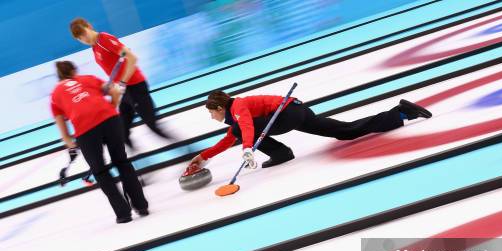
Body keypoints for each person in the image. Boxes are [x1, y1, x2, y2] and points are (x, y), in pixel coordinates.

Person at [188, 90, 432, 170]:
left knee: (242, 132)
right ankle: (401, 113)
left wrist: (248, 149)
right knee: (344, 130)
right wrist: (203, 157)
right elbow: (230, 138)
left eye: (212, 112)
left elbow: (247, 128)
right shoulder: (235, 117)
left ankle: (282, 153)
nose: (212, 117)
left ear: (220, 107)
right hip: (297, 110)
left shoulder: (238, 106)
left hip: (286, 114)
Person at [51, 61, 149, 224]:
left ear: (59, 76)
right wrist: (111, 107)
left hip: (85, 130)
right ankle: (141, 207)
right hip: (110, 120)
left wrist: (71, 144)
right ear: (74, 70)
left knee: (101, 172)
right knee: (122, 162)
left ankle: (123, 214)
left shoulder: (55, 95)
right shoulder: (89, 78)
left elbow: (64, 132)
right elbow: (115, 90)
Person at [69, 17, 174, 150]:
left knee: (153, 126)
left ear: (89, 26)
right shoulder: (95, 48)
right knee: (122, 132)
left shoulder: (104, 39)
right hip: (124, 92)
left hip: (135, 87)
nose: (84, 39)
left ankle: (188, 150)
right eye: (79, 38)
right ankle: (140, 160)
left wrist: (123, 82)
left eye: (83, 33)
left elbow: (132, 58)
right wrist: (113, 85)